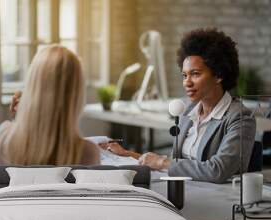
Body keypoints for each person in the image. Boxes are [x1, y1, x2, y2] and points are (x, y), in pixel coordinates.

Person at [103, 28, 256, 183]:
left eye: (195, 74)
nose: (187, 83)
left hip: (217, 198)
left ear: (218, 75)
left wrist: (162, 162)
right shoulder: (188, 110)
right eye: (184, 75)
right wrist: (128, 154)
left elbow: (218, 170)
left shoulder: (240, 117)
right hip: (185, 191)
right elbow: (175, 163)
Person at [0, 45, 100, 166]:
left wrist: (21, 120)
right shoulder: (87, 152)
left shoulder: (3, 138)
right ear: (76, 94)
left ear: (32, 85)